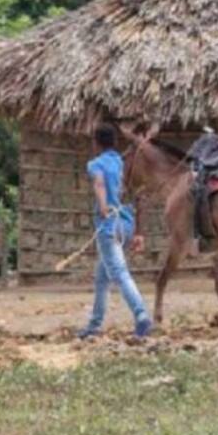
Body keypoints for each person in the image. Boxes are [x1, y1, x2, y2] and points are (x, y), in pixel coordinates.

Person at [77, 123, 153, 339]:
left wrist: (102, 206)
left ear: (96, 143)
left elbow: (99, 184)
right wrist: (138, 232)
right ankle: (94, 324)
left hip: (108, 226)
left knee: (119, 274)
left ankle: (141, 316)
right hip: (126, 223)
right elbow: (137, 193)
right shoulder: (121, 162)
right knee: (102, 277)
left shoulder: (95, 164)